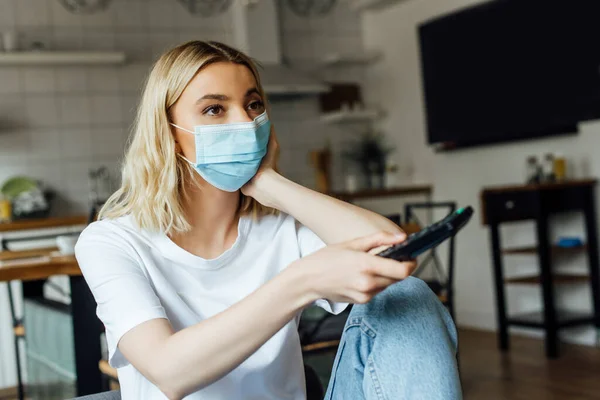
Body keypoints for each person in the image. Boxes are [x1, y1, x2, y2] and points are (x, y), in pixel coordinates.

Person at [75, 41, 461, 400]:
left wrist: (270, 185)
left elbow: (390, 254)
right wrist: (302, 281)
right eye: (214, 109)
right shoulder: (110, 242)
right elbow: (168, 370)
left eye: (254, 105)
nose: (244, 121)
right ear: (170, 133)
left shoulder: (280, 229)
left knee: (409, 296)